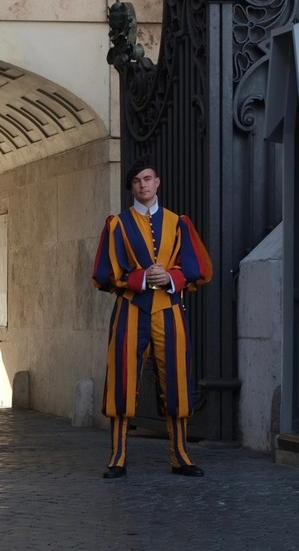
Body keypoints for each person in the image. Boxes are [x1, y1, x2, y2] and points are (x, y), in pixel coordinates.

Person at [91, 155, 212, 479]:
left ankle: (180, 455)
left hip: (169, 310)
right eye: (137, 181)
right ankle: (117, 456)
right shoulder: (118, 224)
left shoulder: (178, 223)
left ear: (157, 183)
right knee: (122, 378)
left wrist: (170, 278)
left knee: (176, 380)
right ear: (132, 187)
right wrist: (143, 277)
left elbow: (198, 268)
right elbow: (104, 272)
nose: (143, 185)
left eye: (148, 179)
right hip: (131, 308)